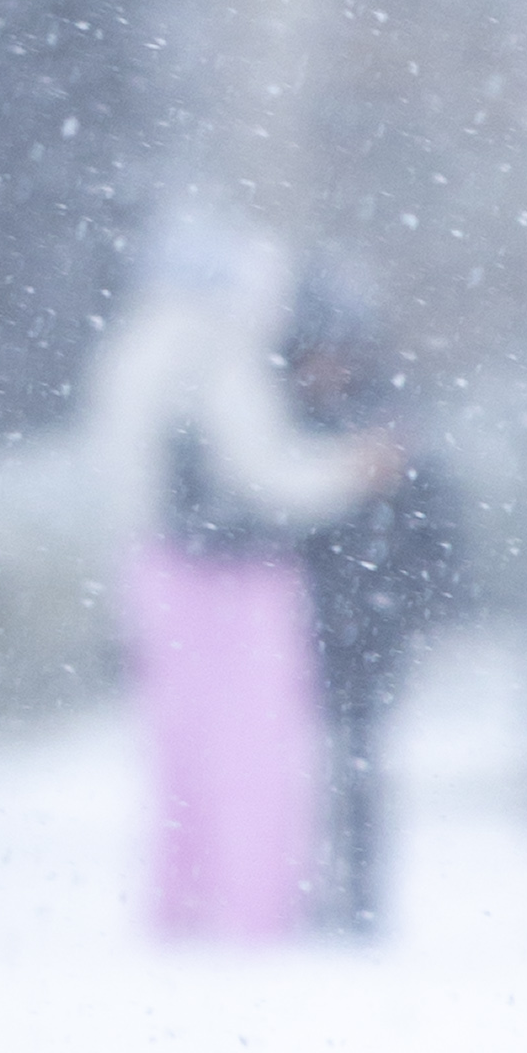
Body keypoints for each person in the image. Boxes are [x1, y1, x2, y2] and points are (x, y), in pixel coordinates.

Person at [90, 211, 398, 937]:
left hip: (157, 572)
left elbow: (117, 483)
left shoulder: (128, 356)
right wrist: (353, 468)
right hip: (243, 576)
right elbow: (265, 474)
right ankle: (259, 909)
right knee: (258, 751)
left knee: (181, 754)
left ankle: (184, 906)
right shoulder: (225, 359)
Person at [283, 262, 468, 936]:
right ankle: (298, 893)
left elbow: (435, 525)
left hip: (372, 619)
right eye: (312, 351)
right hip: (294, 622)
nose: (325, 365)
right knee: (295, 768)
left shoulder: (393, 423)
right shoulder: (285, 425)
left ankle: (360, 898)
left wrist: (426, 605)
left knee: (358, 766)